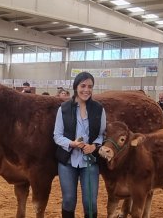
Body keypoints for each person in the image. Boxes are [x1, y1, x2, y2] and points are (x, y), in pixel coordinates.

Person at [53, 72, 106, 218]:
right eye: (83, 86)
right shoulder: (63, 109)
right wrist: (72, 143)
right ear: (76, 87)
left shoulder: (99, 109)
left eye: (90, 86)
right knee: (69, 200)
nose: (86, 90)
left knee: (90, 202)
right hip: (67, 162)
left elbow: (102, 134)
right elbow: (57, 136)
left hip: (90, 162)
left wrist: (94, 146)